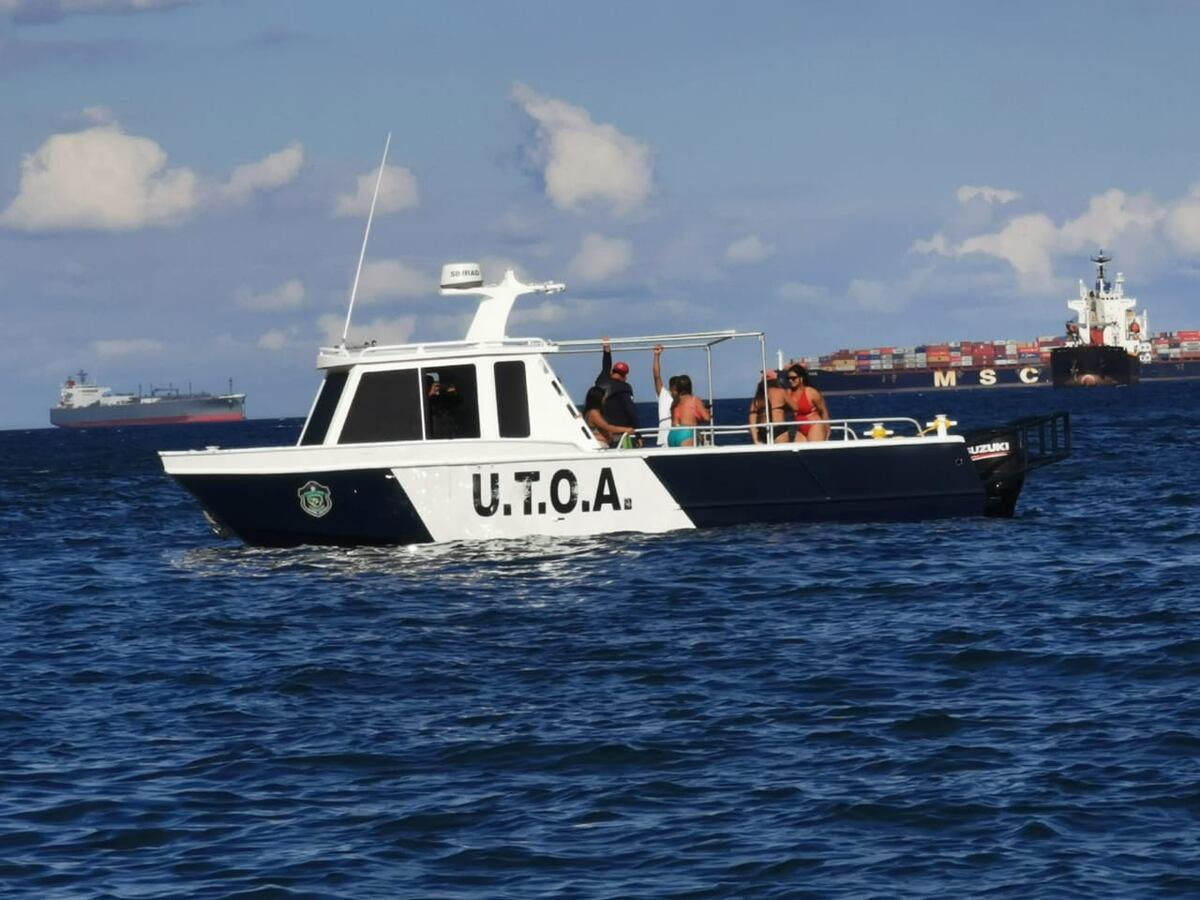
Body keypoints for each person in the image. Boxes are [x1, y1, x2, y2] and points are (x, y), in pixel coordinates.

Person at [595, 337, 640, 440]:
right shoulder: (624, 388)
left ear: (612, 372)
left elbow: (606, 367)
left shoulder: (602, 381)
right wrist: (638, 435)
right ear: (625, 376)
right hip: (618, 432)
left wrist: (607, 349)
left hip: (601, 431)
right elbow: (631, 411)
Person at [784, 363, 830, 442]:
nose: (790, 380)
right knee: (798, 453)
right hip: (801, 429)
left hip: (815, 425)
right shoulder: (787, 393)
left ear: (801, 378)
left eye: (793, 378)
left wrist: (828, 430)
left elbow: (823, 411)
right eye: (788, 378)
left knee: (813, 452)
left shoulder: (811, 392)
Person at [748, 369, 791, 444]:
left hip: (763, 429)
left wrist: (755, 439)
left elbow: (752, 420)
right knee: (783, 454)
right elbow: (795, 407)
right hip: (779, 427)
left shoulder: (757, 399)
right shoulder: (781, 393)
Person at [667, 374, 710, 447]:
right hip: (686, 434)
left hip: (672, 435)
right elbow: (707, 418)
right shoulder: (694, 399)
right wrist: (706, 411)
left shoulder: (674, 402)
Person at [652, 344, 680, 447]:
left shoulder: (685, 399)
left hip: (681, 438)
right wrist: (656, 356)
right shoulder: (664, 394)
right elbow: (656, 376)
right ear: (671, 388)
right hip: (665, 439)